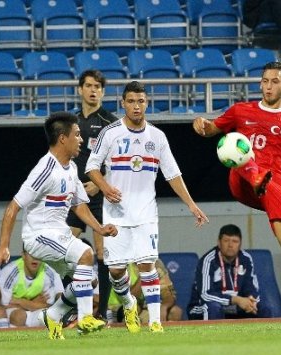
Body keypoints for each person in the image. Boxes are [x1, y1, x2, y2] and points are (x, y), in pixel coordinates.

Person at [193, 61, 281, 332]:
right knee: (236, 145)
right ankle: (255, 173)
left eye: (275, 82)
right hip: (244, 178)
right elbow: (211, 129)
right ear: (260, 83)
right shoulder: (241, 110)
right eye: (265, 81)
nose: (269, 86)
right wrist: (199, 124)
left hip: (274, 184)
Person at [85, 81, 209, 333]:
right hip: (116, 215)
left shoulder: (157, 137)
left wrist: (191, 205)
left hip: (145, 214)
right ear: (123, 104)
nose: (136, 106)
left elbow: (173, 174)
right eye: (131, 101)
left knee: (146, 265)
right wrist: (106, 188)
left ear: (147, 103)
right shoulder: (110, 133)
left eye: (140, 101)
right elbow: (91, 167)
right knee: (117, 271)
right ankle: (129, 304)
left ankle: (154, 322)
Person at [0, 111, 118, 340]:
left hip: (57, 233)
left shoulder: (71, 168)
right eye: (77, 135)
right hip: (37, 236)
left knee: (87, 281)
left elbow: (79, 206)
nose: (81, 140)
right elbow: (13, 207)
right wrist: (3, 245)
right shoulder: (45, 169)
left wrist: (99, 229)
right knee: (87, 254)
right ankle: (85, 317)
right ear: (63, 138)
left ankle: (53, 314)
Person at [66, 70, 118, 322]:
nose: (93, 90)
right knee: (63, 252)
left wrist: (100, 185)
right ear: (80, 89)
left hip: (99, 197)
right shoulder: (69, 121)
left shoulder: (111, 122)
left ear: (103, 91)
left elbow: (118, 163)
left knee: (102, 253)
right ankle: (74, 304)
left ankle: (101, 312)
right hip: (73, 197)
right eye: (88, 85)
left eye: (97, 86)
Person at [187, 224, 272, 320]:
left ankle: (264, 335)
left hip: (236, 306)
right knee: (213, 307)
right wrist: (235, 300)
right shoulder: (208, 260)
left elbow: (251, 287)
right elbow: (206, 295)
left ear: (240, 244)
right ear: (219, 243)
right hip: (204, 306)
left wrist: (251, 299)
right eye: (226, 241)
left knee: (263, 307)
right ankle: (211, 335)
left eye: (235, 241)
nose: (230, 245)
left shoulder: (246, 259)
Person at [0, 248, 64, 327]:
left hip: (33, 312)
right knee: (19, 316)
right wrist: (34, 304)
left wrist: (21, 301)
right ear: (23, 255)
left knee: (51, 316)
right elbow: (2, 305)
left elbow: (49, 305)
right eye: (31, 253)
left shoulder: (48, 271)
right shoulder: (10, 271)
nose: (35, 258)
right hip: (12, 312)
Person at [108, 259, 183, 324]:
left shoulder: (156, 263)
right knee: (134, 311)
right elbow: (129, 297)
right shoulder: (121, 264)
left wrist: (164, 307)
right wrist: (145, 273)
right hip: (119, 308)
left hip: (145, 307)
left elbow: (168, 293)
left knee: (176, 311)